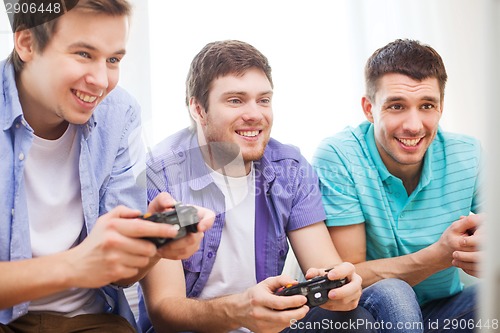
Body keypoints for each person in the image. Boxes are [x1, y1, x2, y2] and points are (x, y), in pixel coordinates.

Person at [0, 1, 214, 332]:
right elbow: (86, 264)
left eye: (113, 59)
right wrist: (76, 265)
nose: (101, 81)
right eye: (83, 54)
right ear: (27, 43)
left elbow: (121, 276)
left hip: (90, 320)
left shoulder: (120, 113)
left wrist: (154, 247)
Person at [137, 39, 378, 333]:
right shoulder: (162, 176)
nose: (255, 114)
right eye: (235, 100)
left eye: (263, 100)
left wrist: (341, 288)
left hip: (274, 325)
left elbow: (325, 268)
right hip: (194, 329)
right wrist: (239, 310)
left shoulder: (290, 169)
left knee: (359, 319)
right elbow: (165, 309)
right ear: (198, 109)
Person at [312, 39, 484, 333]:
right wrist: (440, 255)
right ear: (369, 108)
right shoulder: (339, 156)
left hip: (446, 311)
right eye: (397, 106)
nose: (414, 125)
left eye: (427, 105)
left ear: (441, 107)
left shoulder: (468, 153)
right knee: (394, 292)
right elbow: (348, 275)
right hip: (371, 315)